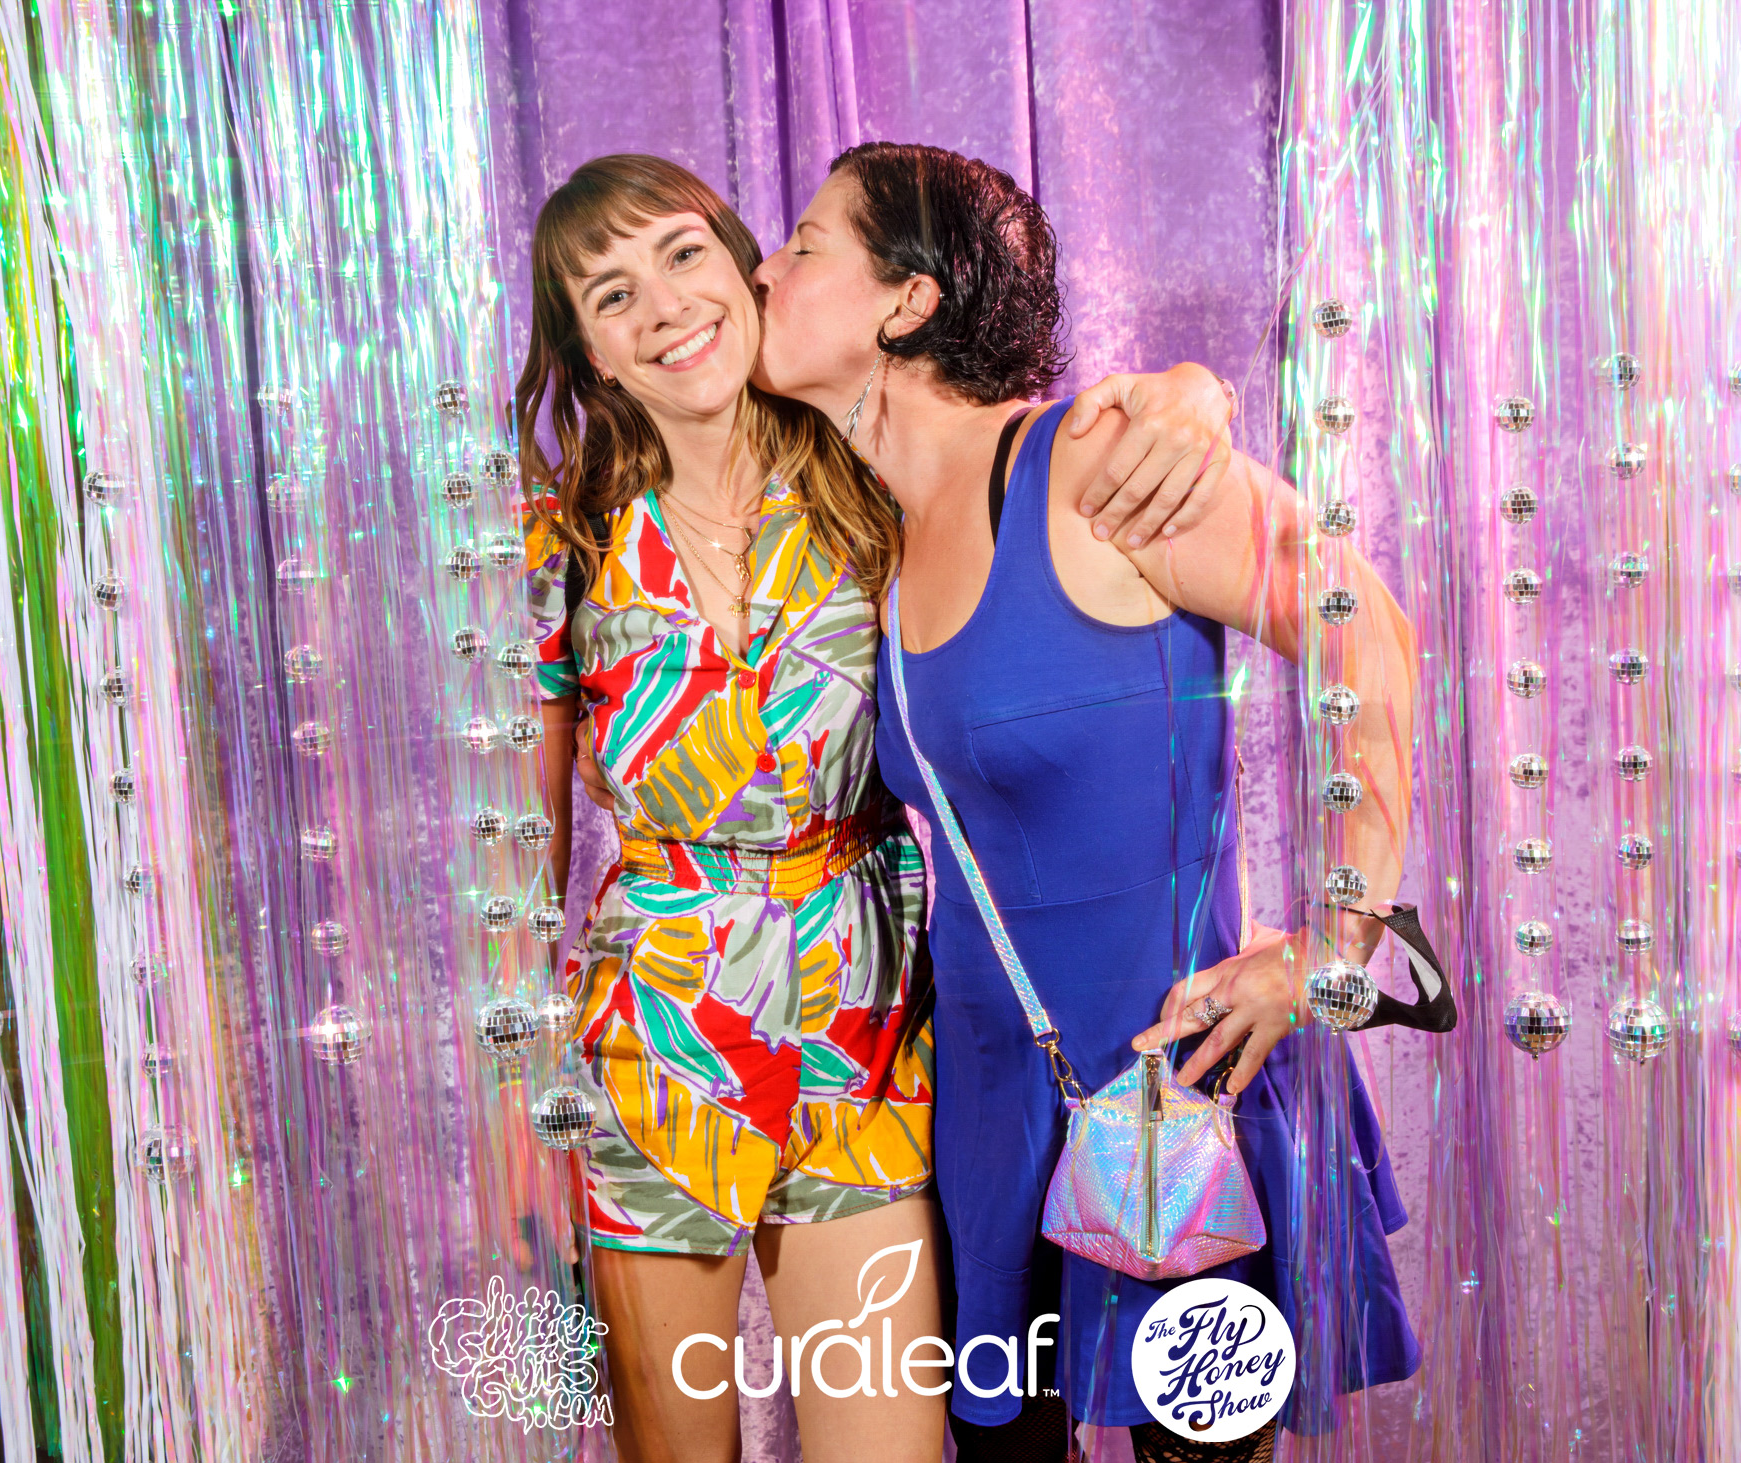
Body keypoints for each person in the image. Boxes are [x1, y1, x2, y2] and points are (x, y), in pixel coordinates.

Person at [517, 154, 1237, 1463]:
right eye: (610, 295)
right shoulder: (559, 544)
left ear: (748, 269)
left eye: (683, 255)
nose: (663, 307)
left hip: (865, 1034)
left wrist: (1192, 391)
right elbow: (521, 863)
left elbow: (1039, 445)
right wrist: (511, 1113)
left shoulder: (870, 486)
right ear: (590, 354)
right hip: (654, 1047)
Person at [750, 142, 1420, 1463]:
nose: (768, 269)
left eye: (806, 244)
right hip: (989, 1107)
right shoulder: (874, 533)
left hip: (1175, 1097)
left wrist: (1333, 947)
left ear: (908, 301)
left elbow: (1368, 631)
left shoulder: (1089, 462)